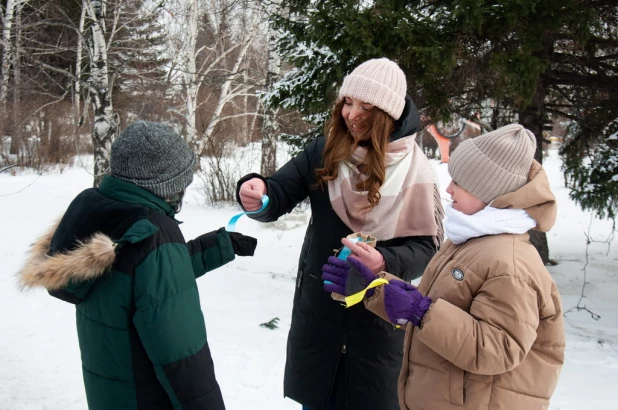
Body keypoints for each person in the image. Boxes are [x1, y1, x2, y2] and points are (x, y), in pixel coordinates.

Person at [236, 58, 444, 410]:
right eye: (348, 102)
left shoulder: (414, 170)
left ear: (389, 113)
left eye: (366, 106)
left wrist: (385, 260)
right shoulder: (325, 151)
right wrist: (257, 193)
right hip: (320, 322)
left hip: (377, 328)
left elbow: (426, 246)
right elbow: (278, 194)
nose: (351, 114)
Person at [324, 124, 566, 410]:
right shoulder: (469, 241)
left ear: (491, 193)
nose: (449, 189)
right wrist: (373, 287)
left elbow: (498, 349)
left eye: (460, 183)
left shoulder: (510, 264)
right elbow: (435, 309)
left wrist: (421, 311)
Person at [18, 121, 257, 410]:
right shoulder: (154, 235)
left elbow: (138, 283)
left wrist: (217, 247)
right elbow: (183, 359)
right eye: (182, 182)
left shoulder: (105, 214)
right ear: (164, 184)